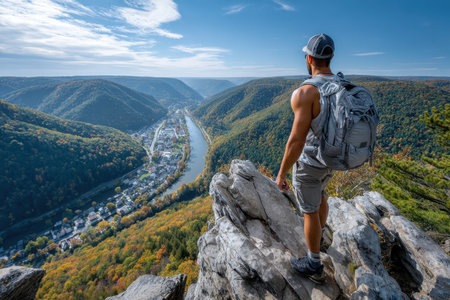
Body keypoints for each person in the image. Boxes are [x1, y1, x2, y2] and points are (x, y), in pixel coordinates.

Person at [276, 33, 337, 283]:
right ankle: (319, 239)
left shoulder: (306, 92)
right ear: (330, 57)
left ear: (309, 58)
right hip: (333, 159)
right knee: (321, 195)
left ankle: (314, 264)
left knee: (309, 210)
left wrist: (281, 173)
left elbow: (296, 140)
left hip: (311, 162)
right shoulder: (342, 87)